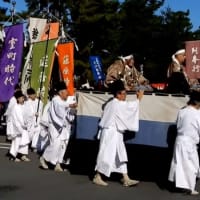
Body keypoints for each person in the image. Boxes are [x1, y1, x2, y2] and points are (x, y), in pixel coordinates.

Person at [93, 79, 144, 186]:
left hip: (116, 133)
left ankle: (125, 178)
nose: (125, 96)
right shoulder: (116, 104)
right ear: (118, 94)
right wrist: (138, 99)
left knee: (120, 155)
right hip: (110, 133)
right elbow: (129, 108)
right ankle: (97, 176)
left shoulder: (112, 103)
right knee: (106, 155)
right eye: (124, 93)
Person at [39, 81, 77, 171]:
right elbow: (61, 108)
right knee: (55, 144)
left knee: (62, 145)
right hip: (55, 126)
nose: (67, 94)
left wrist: (72, 109)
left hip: (64, 127)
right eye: (65, 92)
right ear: (60, 92)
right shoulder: (56, 100)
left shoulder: (64, 101)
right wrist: (70, 105)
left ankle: (58, 163)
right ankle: (44, 158)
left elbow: (67, 113)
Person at [168, 91, 200, 195]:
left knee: (181, 163)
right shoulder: (197, 113)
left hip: (180, 140)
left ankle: (184, 185)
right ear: (196, 102)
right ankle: (189, 188)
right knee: (190, 165)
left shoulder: (182, 111)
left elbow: (178, 124)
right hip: (189, 142)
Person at [8, 90, 30, 162]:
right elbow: (19, 118)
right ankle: (12, 155)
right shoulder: (16, 107)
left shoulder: (22, 106)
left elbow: (25, 115)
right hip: (17, 127)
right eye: (21, 98)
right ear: (17, 99)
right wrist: (24, 124)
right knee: (16, 141)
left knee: (23, 141)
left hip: (21, 127)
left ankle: (20, 154)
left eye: (23, 98)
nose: (22, 99)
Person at [24, 87, 43, 152]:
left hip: (37, 121)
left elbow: (40, 107)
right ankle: (25, 144)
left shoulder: (38, 101)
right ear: (29, 95)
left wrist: (40, 99)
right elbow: (26, 113)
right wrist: (33, 114)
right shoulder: (26, 103)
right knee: (29, 135)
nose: (34, 95)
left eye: (34, 94)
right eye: (33, 94)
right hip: (30, 122)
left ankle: (34, 146)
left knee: (37, 132)